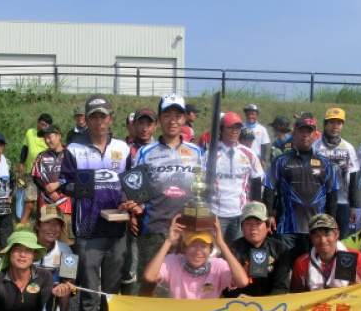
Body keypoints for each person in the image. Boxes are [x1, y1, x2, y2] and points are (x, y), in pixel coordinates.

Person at [58, 94, 131, 311]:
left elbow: (131, 183)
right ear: (86, 120)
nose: (99, 121)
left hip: (117, 230)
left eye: (103, 116)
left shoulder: (123, 148)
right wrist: (82, 189)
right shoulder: (75, 149)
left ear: (110, 118)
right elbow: (64, 183)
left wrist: (131, 199)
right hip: (87, 230)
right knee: (89, 290)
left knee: (111, 291)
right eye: (94, 116)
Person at [131, 93, 205, 294]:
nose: (173, 121)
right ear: (159, 118)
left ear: (184, 119)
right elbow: (135, 190)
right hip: (154, 229)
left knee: (185, 286)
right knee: (149, 283)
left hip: (189, 230)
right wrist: (134, 209)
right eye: (167, 115)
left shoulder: (197, 152)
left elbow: (206, 190)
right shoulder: (146, 152)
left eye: (178, 116)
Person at [263, 116, 337, 262]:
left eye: (309, 132)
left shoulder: (325, 163)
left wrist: (332, 222)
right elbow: (269, 188)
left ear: (315, 135)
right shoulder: (280, 161)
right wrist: (268, 215)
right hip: (287, 228)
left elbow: (332, 193)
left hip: (317, 229)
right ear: (294, 134)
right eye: (301, 131)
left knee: (313, 269)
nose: (305, 135)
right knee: (285, 269)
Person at [120, 107, 157, 295]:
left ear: (155, 126)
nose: (144, 128)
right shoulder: (127, 150)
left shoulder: (159, 150)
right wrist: (131, 215)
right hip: (135, 216)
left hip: (157, 217)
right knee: (131, 263)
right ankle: (128, 302)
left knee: (154, 264)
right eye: (140, 123)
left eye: (148, 123)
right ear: (133, 126)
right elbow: (127, 184)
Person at [211, 112, 264, 242]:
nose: (234, 131)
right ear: (221, 129)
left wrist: (254, 209)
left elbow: (257, 181)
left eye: (238, 127)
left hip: (241, 214)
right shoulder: (210, 155)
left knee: (237, 254)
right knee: (214, 253)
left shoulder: (249, 153)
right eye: (230, 127)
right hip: (217, 214)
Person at [33, 205, 74, 311]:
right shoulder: (27, 246)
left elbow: (69, 278)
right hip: (28, 293)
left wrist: (65, 287)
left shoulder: (66, 250)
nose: (52, 228)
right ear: (37, 225)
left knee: (65, 289)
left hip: (53, 296)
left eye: (57, 224)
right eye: (47, 223)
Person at [223, 202, 292, 297]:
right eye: (248, 224)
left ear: (267, 226)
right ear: (242, 227)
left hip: (272, 305)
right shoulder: (230, 251)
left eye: (258, 223)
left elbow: (281, 286)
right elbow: (224, 287)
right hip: (239, 304)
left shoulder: (280, 249)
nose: (253, 228)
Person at [290, 214, 361, 292]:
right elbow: (296, 297)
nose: (323, 241)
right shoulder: (301, 263)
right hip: (317, 304)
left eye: (327, 234)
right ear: (311, 238)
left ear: (337, 234)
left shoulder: (357, 258)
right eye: (317, 236)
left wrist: (353, 277)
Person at [312, 108, 359, 237]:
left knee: (342, 238)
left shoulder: (348, 148)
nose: (335, 126)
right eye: (332, 122)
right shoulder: (315, 147)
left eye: (339, 123)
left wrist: (353, 205)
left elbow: (353, 176)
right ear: (325, 124)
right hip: (320, 201)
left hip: (342, 202)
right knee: (321, 236)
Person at [32, 124, 73, 245]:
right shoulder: (41, 156)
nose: (48, 141)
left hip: (66, 203)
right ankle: (43, 262)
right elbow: (35, 177)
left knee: (68, 239)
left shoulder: (71, 155)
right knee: (46, 237)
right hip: (46, 202)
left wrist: (58, 185)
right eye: (45, 138)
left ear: (59, 136)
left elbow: (76, 176)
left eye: (50, 137)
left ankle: (68, 263)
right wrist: (48, 190)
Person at [18, 113, 52, 224]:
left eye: (45, 125)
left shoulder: (49, 137)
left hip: (45, 174)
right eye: (41, 124)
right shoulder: (30, 133)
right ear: (38, 123)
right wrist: (21, 163)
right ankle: (23, 221)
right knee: (30, 198)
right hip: (31, 173)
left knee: (44, 197)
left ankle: (41, 219)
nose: (42, 127)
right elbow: (25, 148)